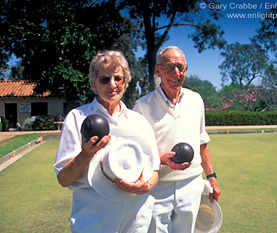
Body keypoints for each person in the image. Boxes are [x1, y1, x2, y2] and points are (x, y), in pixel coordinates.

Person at [54, 50, 160, 233]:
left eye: (118, 78)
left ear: (125, 84)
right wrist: (86, 154)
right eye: (105, 79)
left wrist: (147, 186)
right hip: (94, 217)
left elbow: (155, 169)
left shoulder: (139, 121)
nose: (112, 84)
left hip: (136, 216)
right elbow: (64, 179)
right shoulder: (77, 118)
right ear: (94, 84)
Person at [133, 46, 221, 233]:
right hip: (157, 188)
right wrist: (160, 159)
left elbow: (201, 142)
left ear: (186, 70)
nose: (176, 73)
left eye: (180, 67)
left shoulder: (196, 100)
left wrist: (211, 178)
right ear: (158, 71)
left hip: (192, 184)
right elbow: (136, 150)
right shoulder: (142, 106)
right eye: (169, 67)